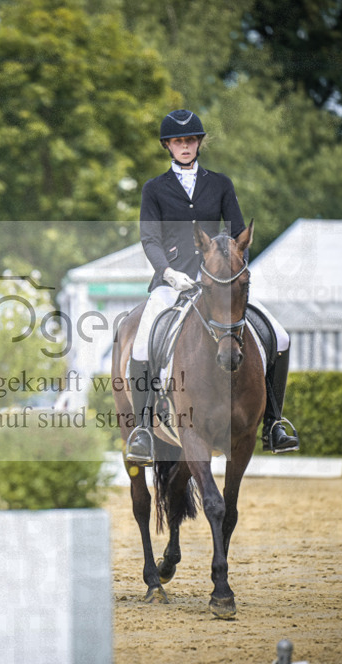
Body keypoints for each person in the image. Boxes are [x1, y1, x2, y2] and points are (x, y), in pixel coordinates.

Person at [126, 109, 298, 462]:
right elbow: (150, 239)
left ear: (199, 143)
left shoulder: (220, 184)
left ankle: (273, 423)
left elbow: (238, 233)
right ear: (167, 145)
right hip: (173, 284)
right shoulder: (154, 189)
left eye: (190, 140)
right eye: (178, 141)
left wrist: (234, 270)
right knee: (141, 344)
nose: (185, 146)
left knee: (280, 337)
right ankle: (143, 430)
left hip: (219, 283)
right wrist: (168, 272)